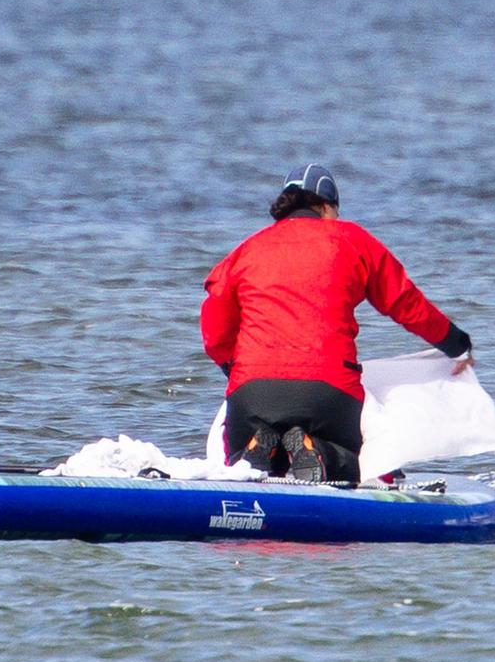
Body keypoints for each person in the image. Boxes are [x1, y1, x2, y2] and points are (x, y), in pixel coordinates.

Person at [201, 164, 472, 485]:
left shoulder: (246, 249)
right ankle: (318, 451)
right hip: (328, 392)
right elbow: (406, 303)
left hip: (253, 393)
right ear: (327, 207)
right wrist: (457, 345)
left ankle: (260, 447)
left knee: (241, 466)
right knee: (356, 466)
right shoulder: (352, 239)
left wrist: (234, 369)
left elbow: (214, 327)